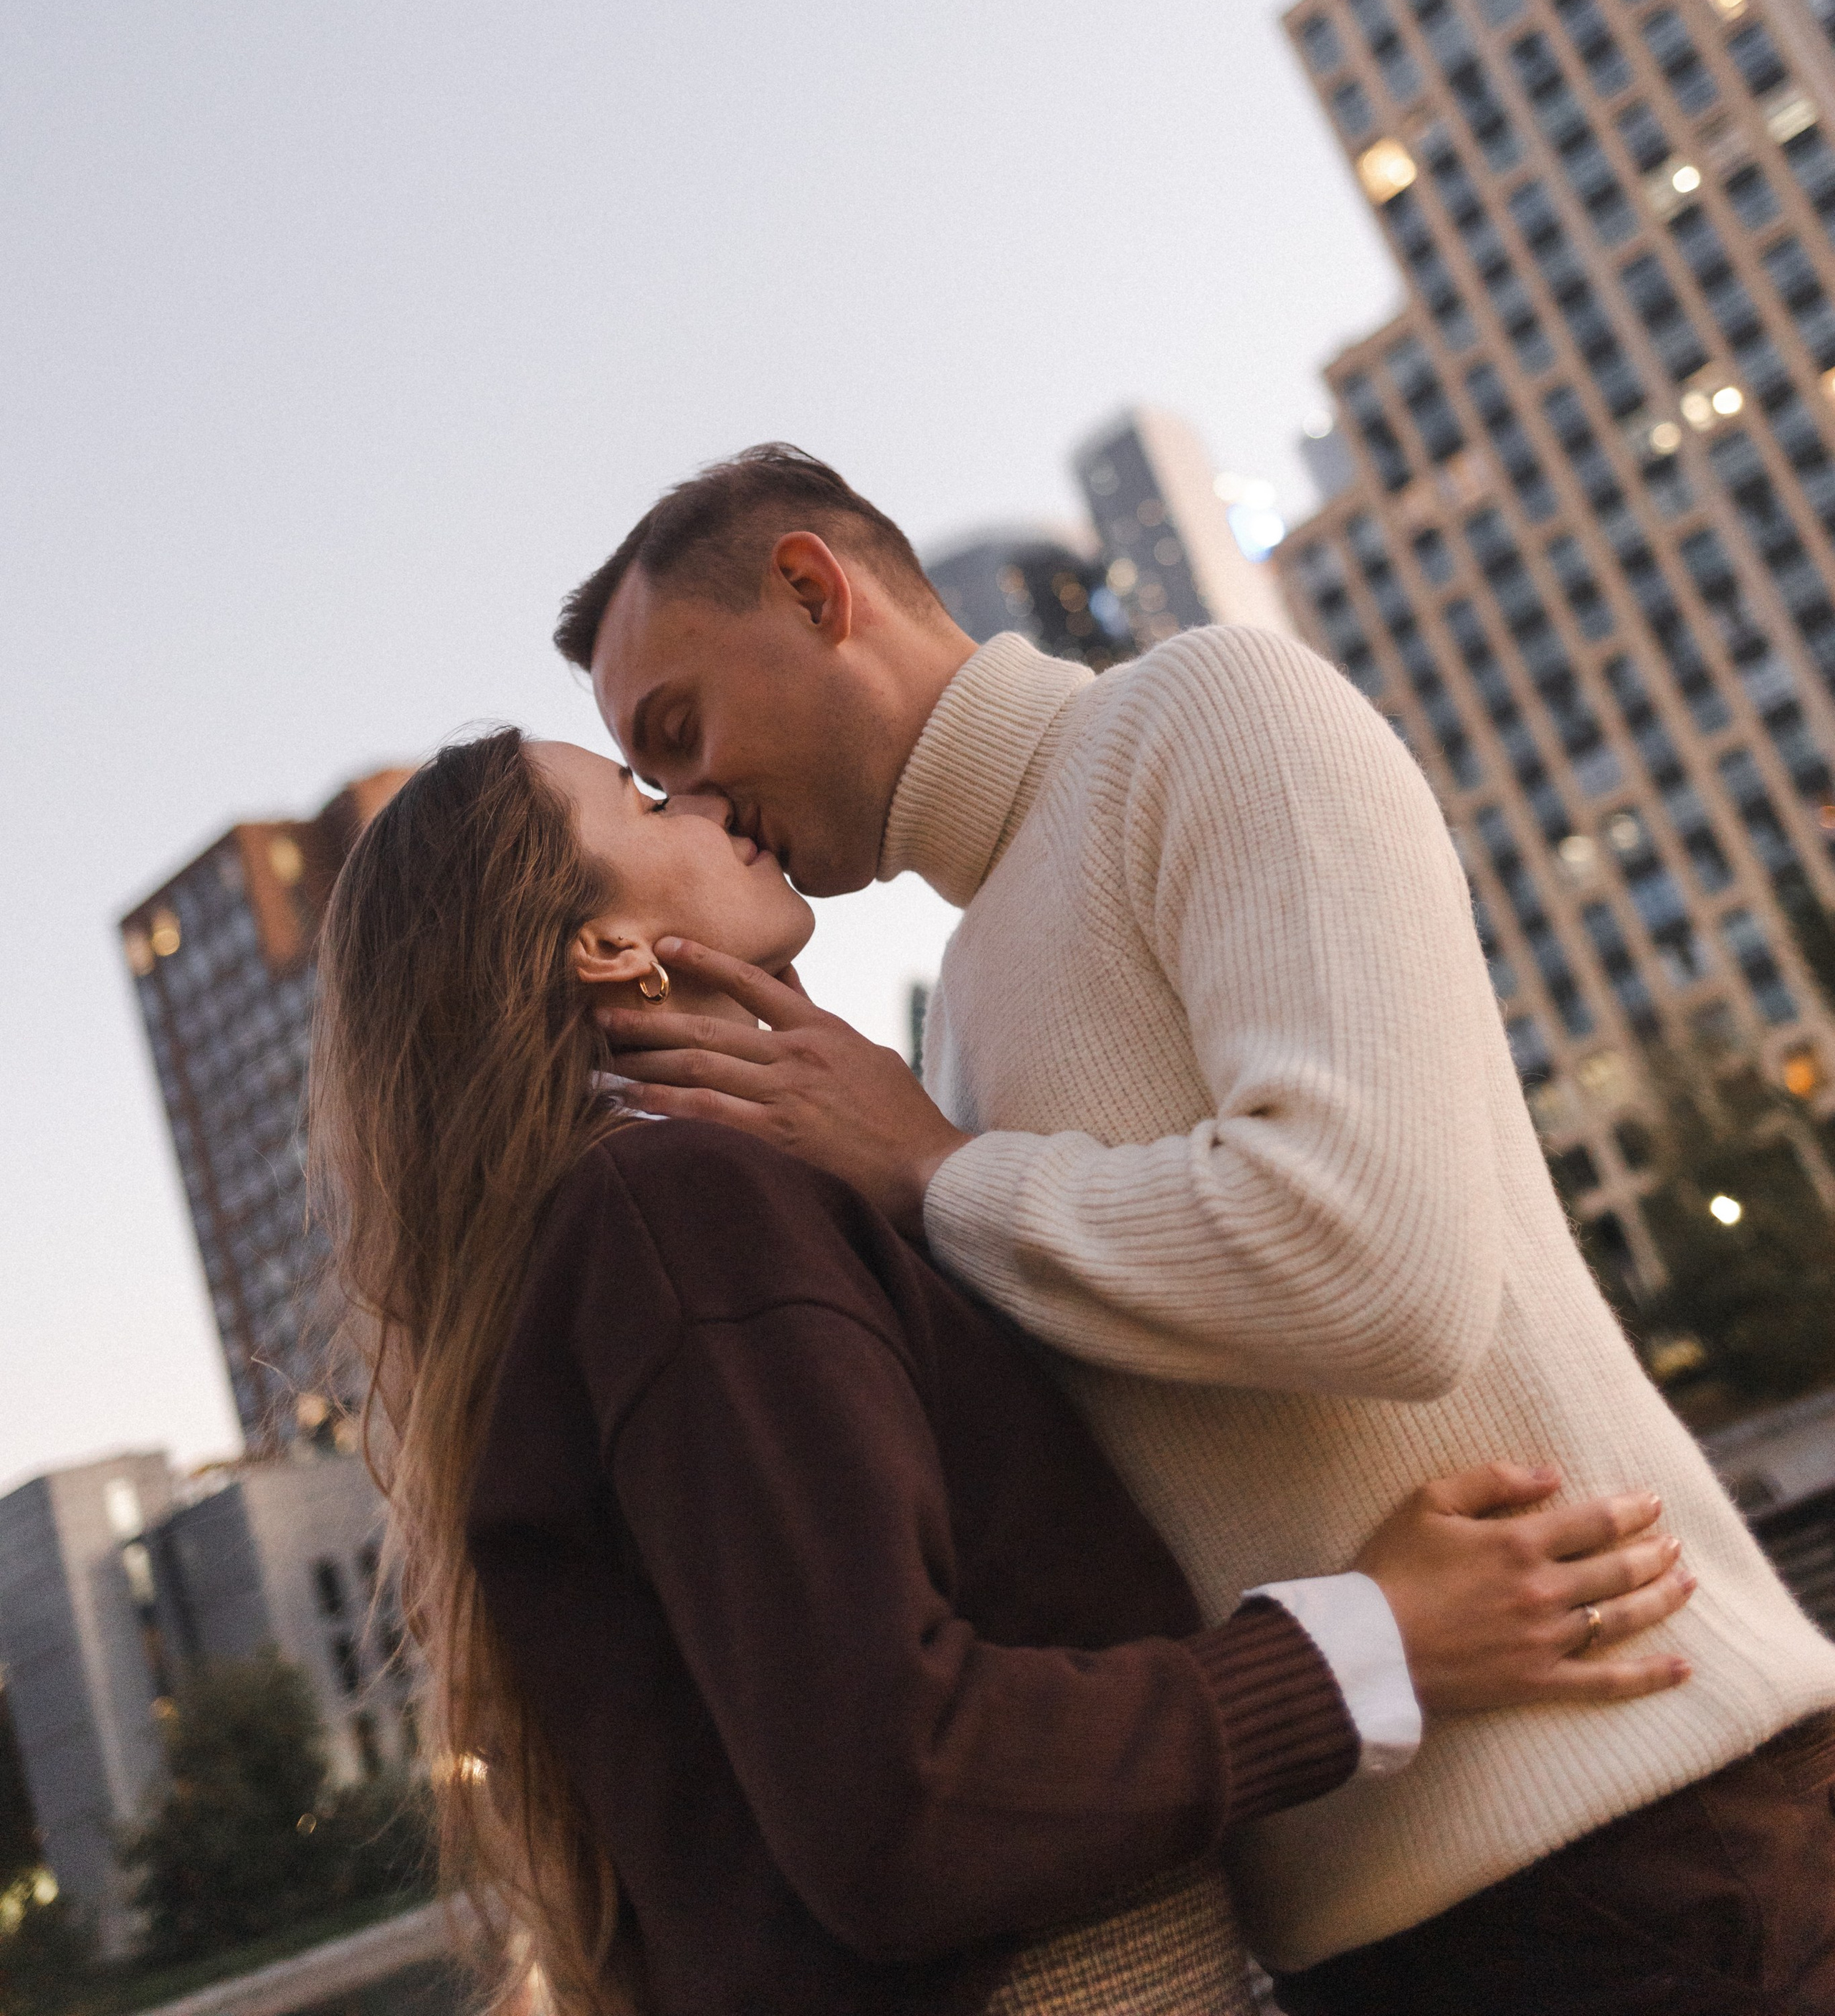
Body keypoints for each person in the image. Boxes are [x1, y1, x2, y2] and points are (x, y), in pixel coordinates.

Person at [568, 442, 1835, 2016]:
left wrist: (936, 1176)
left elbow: (1378, 1267)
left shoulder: (1207, 711)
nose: (692, 803)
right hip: (1360, 1941)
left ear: (816, 592)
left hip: (1644, 1847)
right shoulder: (953, 1019)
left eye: (675, 734)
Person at [310, 726, 1692, 2016]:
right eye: (641, 794)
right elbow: (899, 1799)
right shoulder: (673, 1216)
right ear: (605, 947)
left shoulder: (635, 1231)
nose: (710, 800)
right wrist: (1373, 1644)